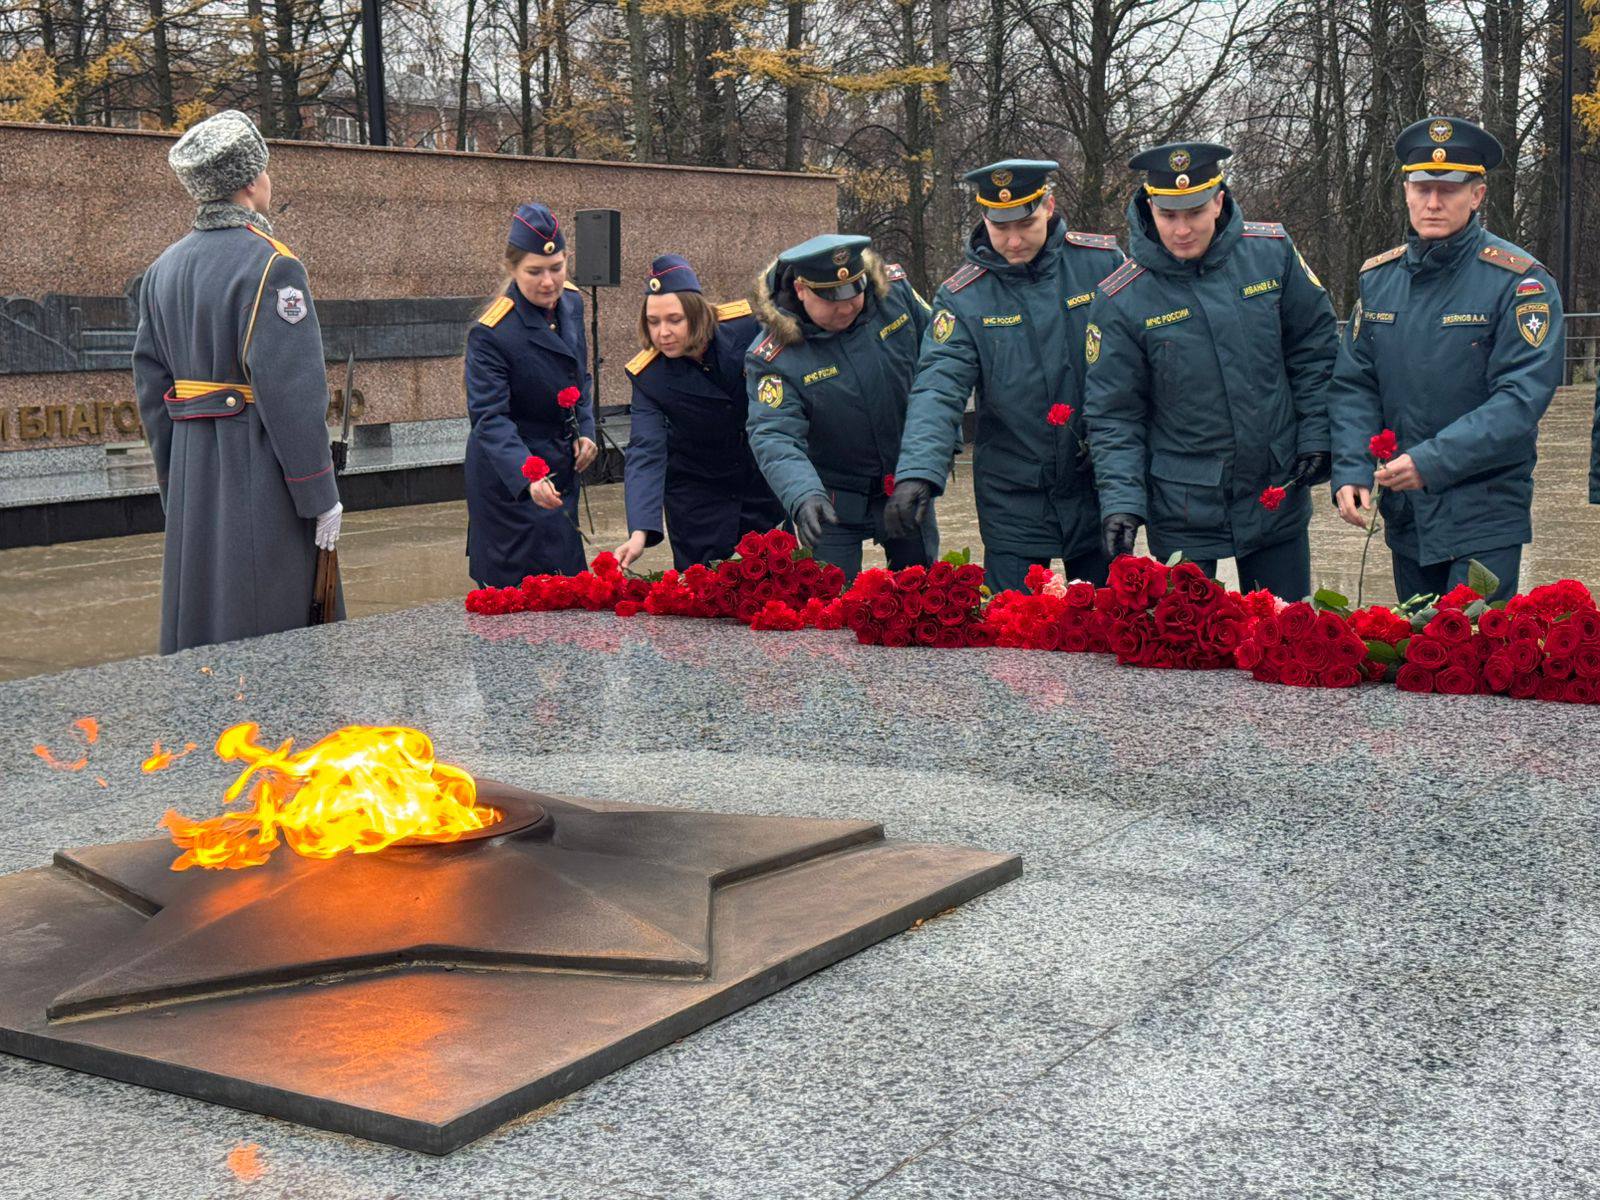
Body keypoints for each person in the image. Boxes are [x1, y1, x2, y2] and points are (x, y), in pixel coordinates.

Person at [1083, 141, 1337, 599]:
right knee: (1188, 649)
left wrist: (1317, 434)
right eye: (1169, 216)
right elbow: (1114, 414)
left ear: (1219, 200)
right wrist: (1121, 502)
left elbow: (1314, 351)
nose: (1182, 229)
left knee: (1285, 643)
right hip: (1183, 507)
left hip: (1274, 490)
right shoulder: (1121, 298)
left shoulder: (1272, 252)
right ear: (1149, 208)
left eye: (1195, 212)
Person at [132, 109, 343, 655]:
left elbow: (153, 392)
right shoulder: (272, 266)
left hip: (193, 476)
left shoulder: (162, 270)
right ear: (250, 181)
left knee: (203, 628)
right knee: (273, 633)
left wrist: (175, 485)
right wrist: (319, 492)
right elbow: (292, 396)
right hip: (261, 476)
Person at [1330, 118, 1563, 602]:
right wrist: (1352, 466)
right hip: (1407, 513)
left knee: (1472, 666)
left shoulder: (1519, 283)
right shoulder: (1379, 279)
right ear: (1406, 191)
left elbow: (1520, 399)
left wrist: (1432, 462)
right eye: (1422, 188)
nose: (1433, 203)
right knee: (1417, 665)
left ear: (1476, 196)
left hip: (1485, 511)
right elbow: (1355, 384)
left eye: (1449, 190)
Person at [887, 158, 1123, 591]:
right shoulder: (963, 295)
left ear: (1049, 206)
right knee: (1014, 638)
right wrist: (919, 471)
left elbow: (1135, 365)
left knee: (1106, 631)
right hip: (1013, 488)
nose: (1013, 241)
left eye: (1026, 224)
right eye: (1000, 228)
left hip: (1095, 480)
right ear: (983, 219)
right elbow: (938, 387)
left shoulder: (1101, 264)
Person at [746, 233, 935, 579]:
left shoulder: (896, 296)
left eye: (855, 291)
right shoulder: (774, 356)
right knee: (827, 608)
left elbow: (941, 367)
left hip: (905, 482)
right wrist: (802, 494)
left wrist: (926, 466)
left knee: (924, 599)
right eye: (831, 299)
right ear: (802, 289)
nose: (847, 306)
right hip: (831, 501)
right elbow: (774, 435)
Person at [613, 255, 785, 570]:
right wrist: (639, 532)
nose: (663, 333)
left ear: (698, 314)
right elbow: (646, 451)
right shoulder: (648, 376)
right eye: (653, 322)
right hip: (699, 505)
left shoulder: (747, 328)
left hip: (759, 488)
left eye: (674, 320)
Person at [464, 203, 598, 587]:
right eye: (534, 272)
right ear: (512, 270)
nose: (548, 282)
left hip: (559, 466)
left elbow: (579, 380)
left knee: (568, 586)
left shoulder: (571, 303)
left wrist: (586, 430)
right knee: (517, 594)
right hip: (512, 478)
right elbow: (490, 418)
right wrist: (528, 475)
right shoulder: (492, 332)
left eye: (556, 268)